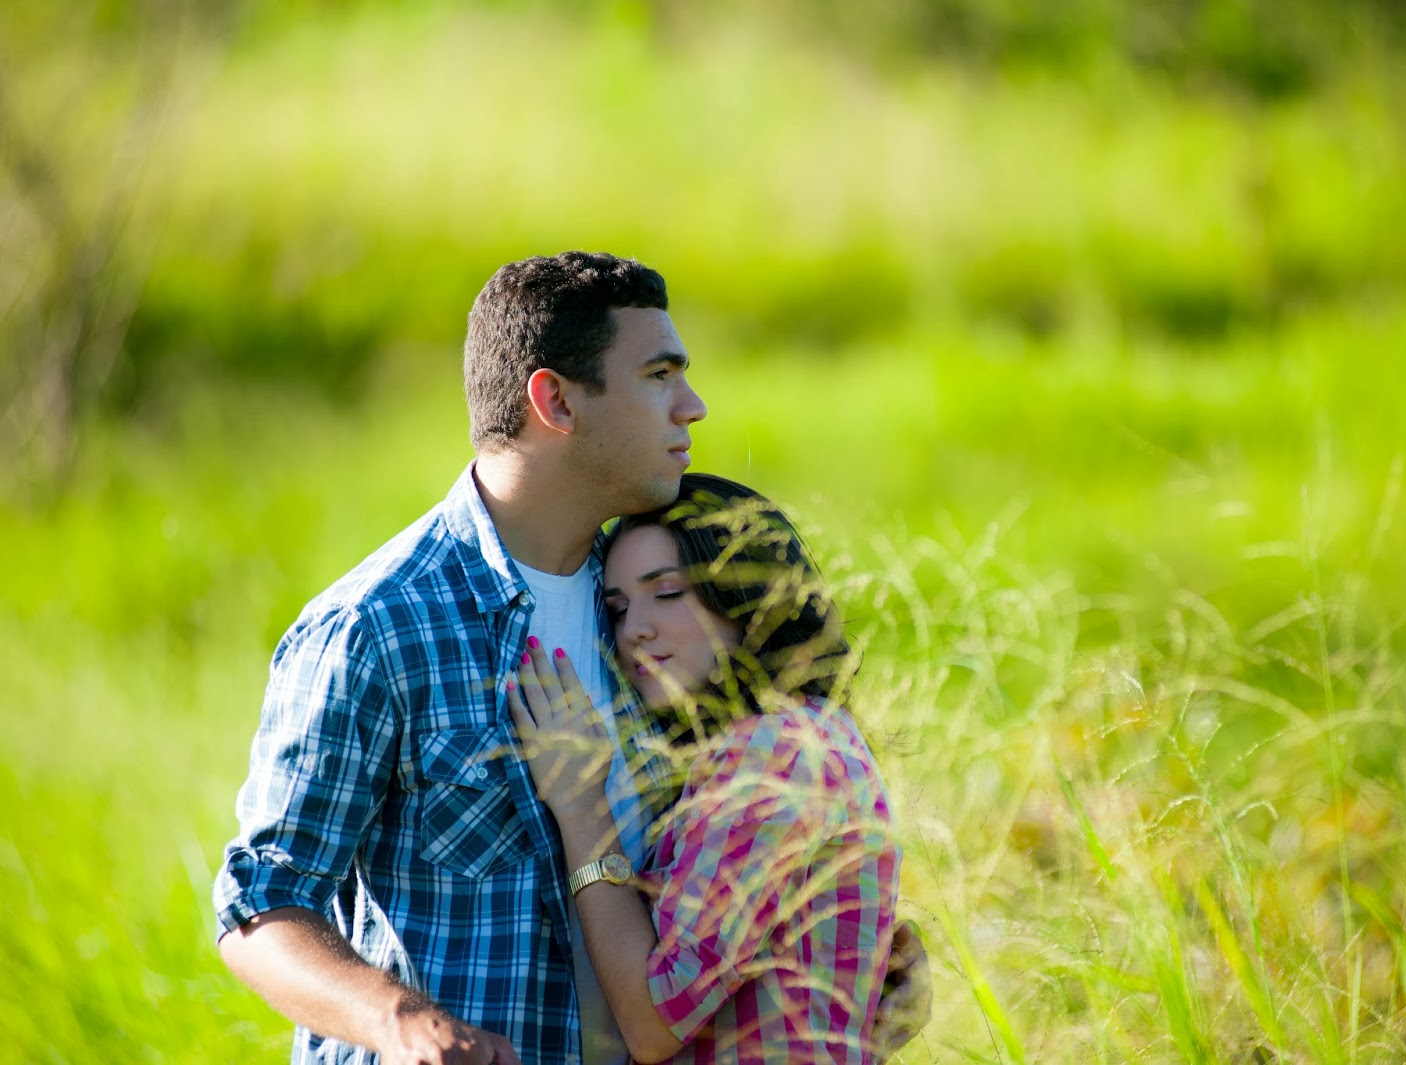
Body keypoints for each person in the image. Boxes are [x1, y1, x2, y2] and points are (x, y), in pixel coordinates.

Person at [212, 252, 929, 1064]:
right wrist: (400, 1020)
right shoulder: (377, 626)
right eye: (658, 376)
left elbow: (715, 875)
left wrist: (843, 971)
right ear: (554, 399)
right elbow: (258, 907)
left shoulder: (648, 611)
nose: (691, 407)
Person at [507, 474, 900, 1062]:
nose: (635, 629)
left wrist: (581, 803)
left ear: (749, 598)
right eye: (616, 610)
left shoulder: (771, 753)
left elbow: (653, 1020)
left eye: (666, 593)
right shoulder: (803, 733)